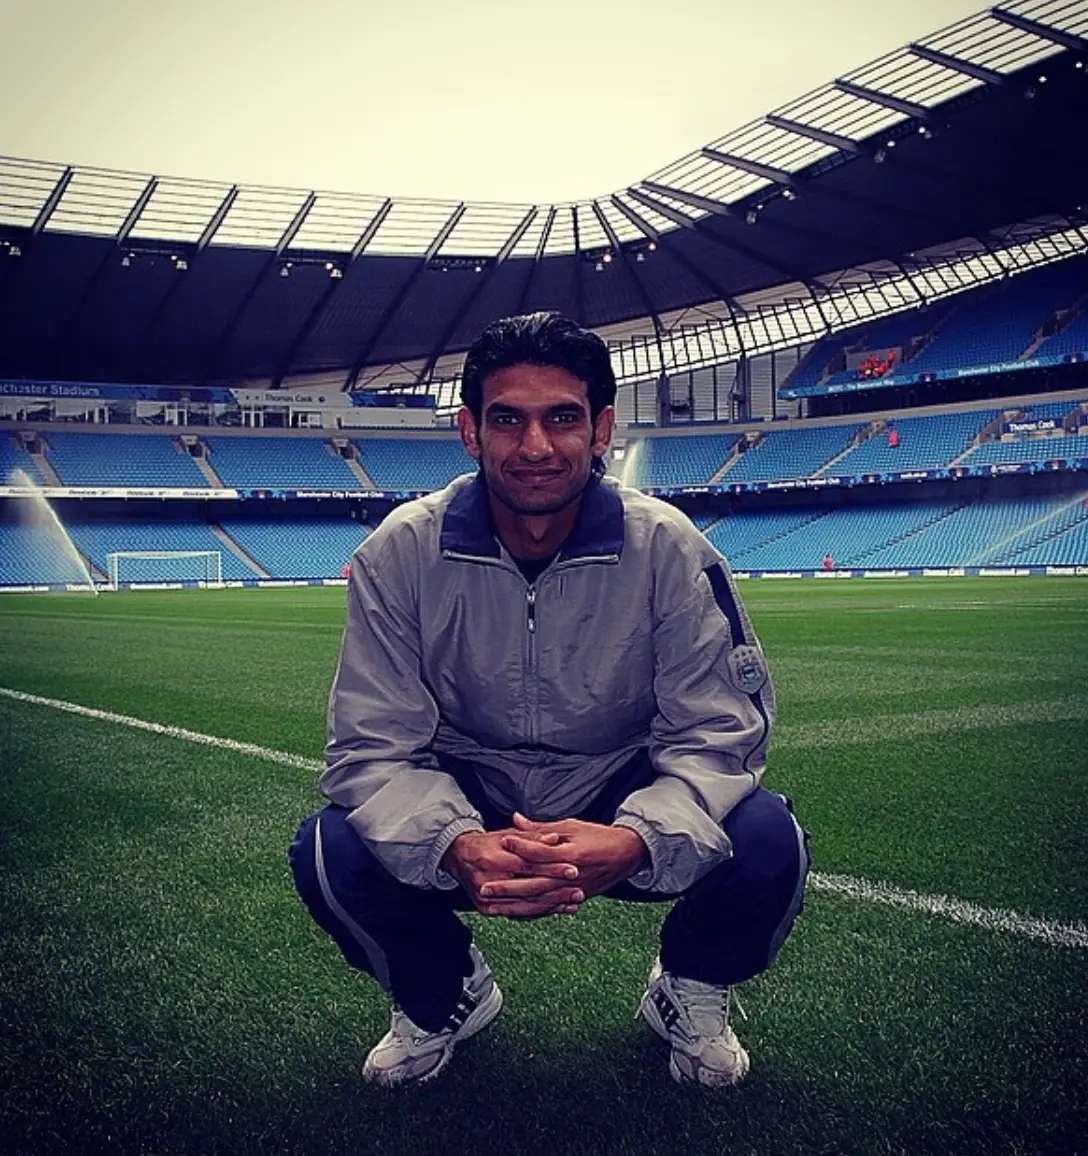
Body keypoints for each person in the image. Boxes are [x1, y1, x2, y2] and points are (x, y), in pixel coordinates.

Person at [289, 312, 809, 1090]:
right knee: (331, 849)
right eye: (508, 419)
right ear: (470, 431)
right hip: (471, 781)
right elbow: (372, 746)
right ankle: (444, 994)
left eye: (562, 417)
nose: (535, 447)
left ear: (602, 429)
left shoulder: (671, 548)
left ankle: (689, 986)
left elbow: (720, 733)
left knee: (769, 839)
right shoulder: (400, 551)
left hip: (616, 780)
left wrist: (635, 837)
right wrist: (456, 842)